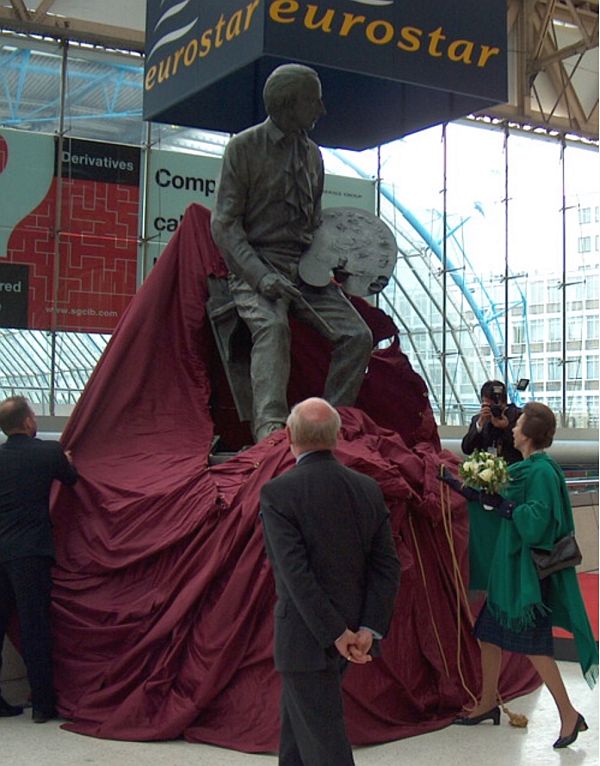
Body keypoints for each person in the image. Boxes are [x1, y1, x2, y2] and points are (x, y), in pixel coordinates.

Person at [211, 64, 373, 442]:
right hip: (257, 265)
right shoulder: (243, 149)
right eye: (313, 101)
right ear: (288, 104)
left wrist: (339, 260)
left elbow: (315, 223)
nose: (322, 109)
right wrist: (260, 276)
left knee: (358, 335)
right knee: (273, 326)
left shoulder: (313, 155)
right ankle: (270, 432)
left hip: (306, 269)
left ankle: (328, 422)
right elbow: (224, 225)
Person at [446, 402, 597, 748]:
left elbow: (537, 520)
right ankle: (487, 702)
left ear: (528, 434)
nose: (512, 429)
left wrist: (507, 507)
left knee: (535, 648)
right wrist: (460, 486)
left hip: (527, 579)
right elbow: (499, 498)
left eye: (518, 425)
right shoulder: (529, 468)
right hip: (511, 576)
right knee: (488, 634)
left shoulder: (541, 472)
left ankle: (569, 714)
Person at [260, 398, 401, 765]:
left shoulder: (279, 492)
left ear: (288, 434)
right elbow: (386, 565)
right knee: (296, 739)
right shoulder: (366, 488)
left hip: (308, 639)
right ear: (338, 436)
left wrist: (336, 634)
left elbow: (296, 576)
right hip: (351, 634)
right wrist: (367, 628)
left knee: (326, 749)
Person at [0, 396, 78, 723]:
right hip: (30, 553)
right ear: (29, 422)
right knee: (35, 628)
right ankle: (44, 704)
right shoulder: (47, 453)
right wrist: (67, 460)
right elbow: (72, 480)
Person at [461, 380, 522, 465]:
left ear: (504, 401)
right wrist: (479, 425)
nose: (493, 409)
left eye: (495, 405)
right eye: (489, 405)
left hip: (512, 469)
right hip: (485, 470)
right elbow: (466, 449)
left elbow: (525, 446)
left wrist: (506, 428)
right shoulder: (479, 419)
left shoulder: (518, 416)